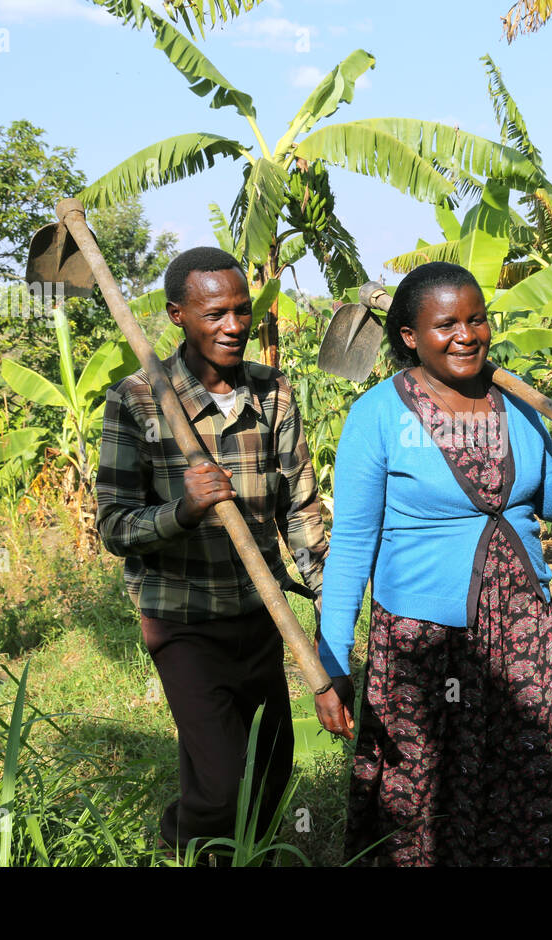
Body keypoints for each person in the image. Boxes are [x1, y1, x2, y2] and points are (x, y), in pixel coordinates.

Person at [315, 261, 552, 866]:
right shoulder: (379, 415)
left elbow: (542, 501)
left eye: (476, 319)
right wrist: (331, 661)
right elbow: (351, 541)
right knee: (423, 791)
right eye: (446, 323)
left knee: (537, 763)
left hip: (523, 626)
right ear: (409, 337)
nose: (466, 335)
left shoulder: (519, 401)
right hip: (424, 636)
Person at [95, 247, 328, 862]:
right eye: (215, 313)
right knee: (222, 780)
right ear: (177, 315)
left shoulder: (272, 391)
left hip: (261, 610)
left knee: (272, 770)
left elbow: (299, 508)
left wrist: (330, 592)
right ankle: (184, 843)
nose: (234, 325)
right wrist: (184, 510)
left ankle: (244, 851)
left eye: (242, 310)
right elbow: (115, 526)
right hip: (182, 618)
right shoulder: (139, 400)